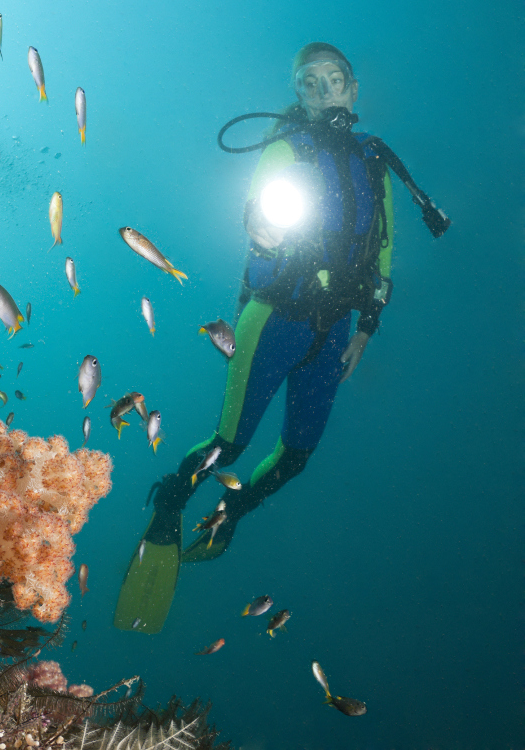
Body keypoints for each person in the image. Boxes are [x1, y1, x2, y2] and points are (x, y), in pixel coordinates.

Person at [115, 42, 444, 634]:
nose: (324, 91)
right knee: (231, 443)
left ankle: (232, 510)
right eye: (309, 83)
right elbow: (261, 203)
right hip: (274, 321)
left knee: (298, 454)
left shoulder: (376, 159)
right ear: (299, 94)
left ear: (353, 88)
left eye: (334, 80)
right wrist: (261, 225)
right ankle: (167, 508)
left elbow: (386, 246)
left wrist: (368, 325)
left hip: (336, 328)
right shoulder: (286, 148)